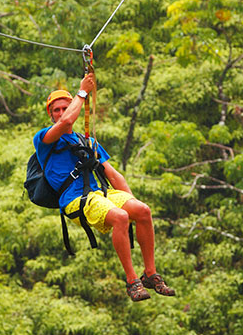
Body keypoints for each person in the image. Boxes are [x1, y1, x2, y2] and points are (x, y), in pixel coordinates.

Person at [34, 71, 175, 302]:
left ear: (72, 108)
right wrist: (82, 91)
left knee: (143, 211)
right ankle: (132, 281)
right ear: (50, 115)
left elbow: (112, 174)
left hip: (99, 193)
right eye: (55, 110)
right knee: (119, 216)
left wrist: (133, 203)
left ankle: (150, 274)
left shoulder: (87, 141)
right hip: (74, 200)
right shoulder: (44, 139)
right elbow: (67, 121)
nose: (60, 114)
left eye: (64, 108)